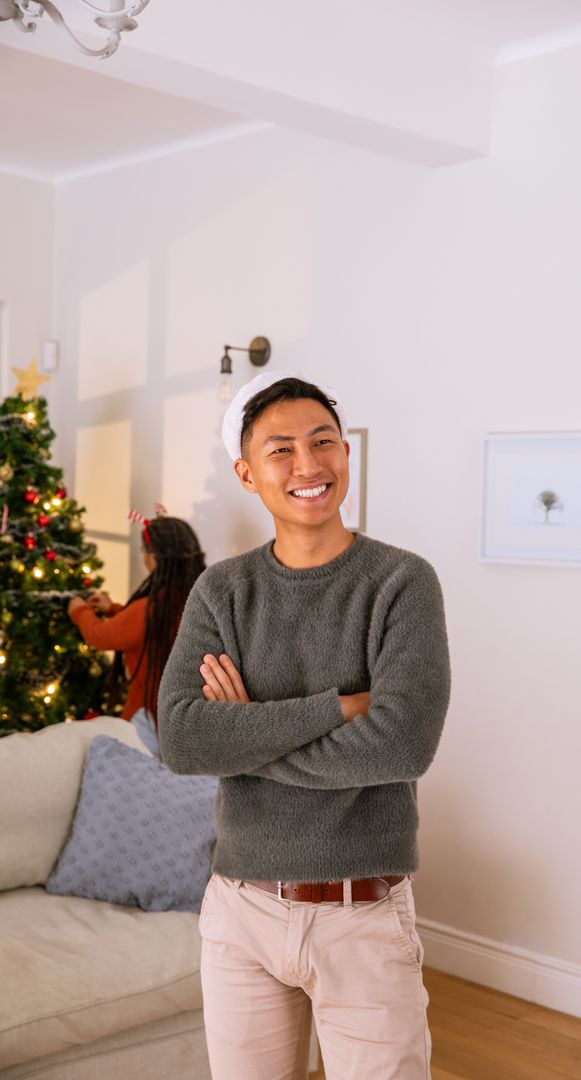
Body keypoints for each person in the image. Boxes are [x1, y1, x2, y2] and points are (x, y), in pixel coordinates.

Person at [157, 372, 451, 1080]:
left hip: (362, 915)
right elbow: (183, 739)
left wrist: (248, 731)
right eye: (281, 450)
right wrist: (339, 707)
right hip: (240, 914)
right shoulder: (222, 591)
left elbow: (403, 744)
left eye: (323, 443)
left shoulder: (402, 583)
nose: (308, 466)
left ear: (346, 455)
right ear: (248, 473)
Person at [68, 515, 206, 727]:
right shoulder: (196, 600)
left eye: (143, 551)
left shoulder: (150, 609)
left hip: (150, 718)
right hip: (191, 717)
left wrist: (80, 611)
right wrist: (115, 610)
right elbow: (148, 632)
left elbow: (99, 635)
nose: (143, 558)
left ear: (155, 557)